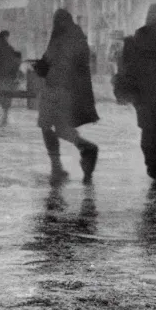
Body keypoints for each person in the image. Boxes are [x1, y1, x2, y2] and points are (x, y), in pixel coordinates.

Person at [34, 9, 99, 184]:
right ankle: (86, 148)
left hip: (55, 89)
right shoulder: (78, 37)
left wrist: (41, 67)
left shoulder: (61, 38)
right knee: (61, 129)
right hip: (68, 92)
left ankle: (57, 166)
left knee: (46, 126)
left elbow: (52, 62)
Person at [119, 4, 156, 180]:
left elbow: (133, 62)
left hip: (144, 93)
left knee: (147, 128)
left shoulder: (141, 36)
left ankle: (151, 163)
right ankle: (155, 163)